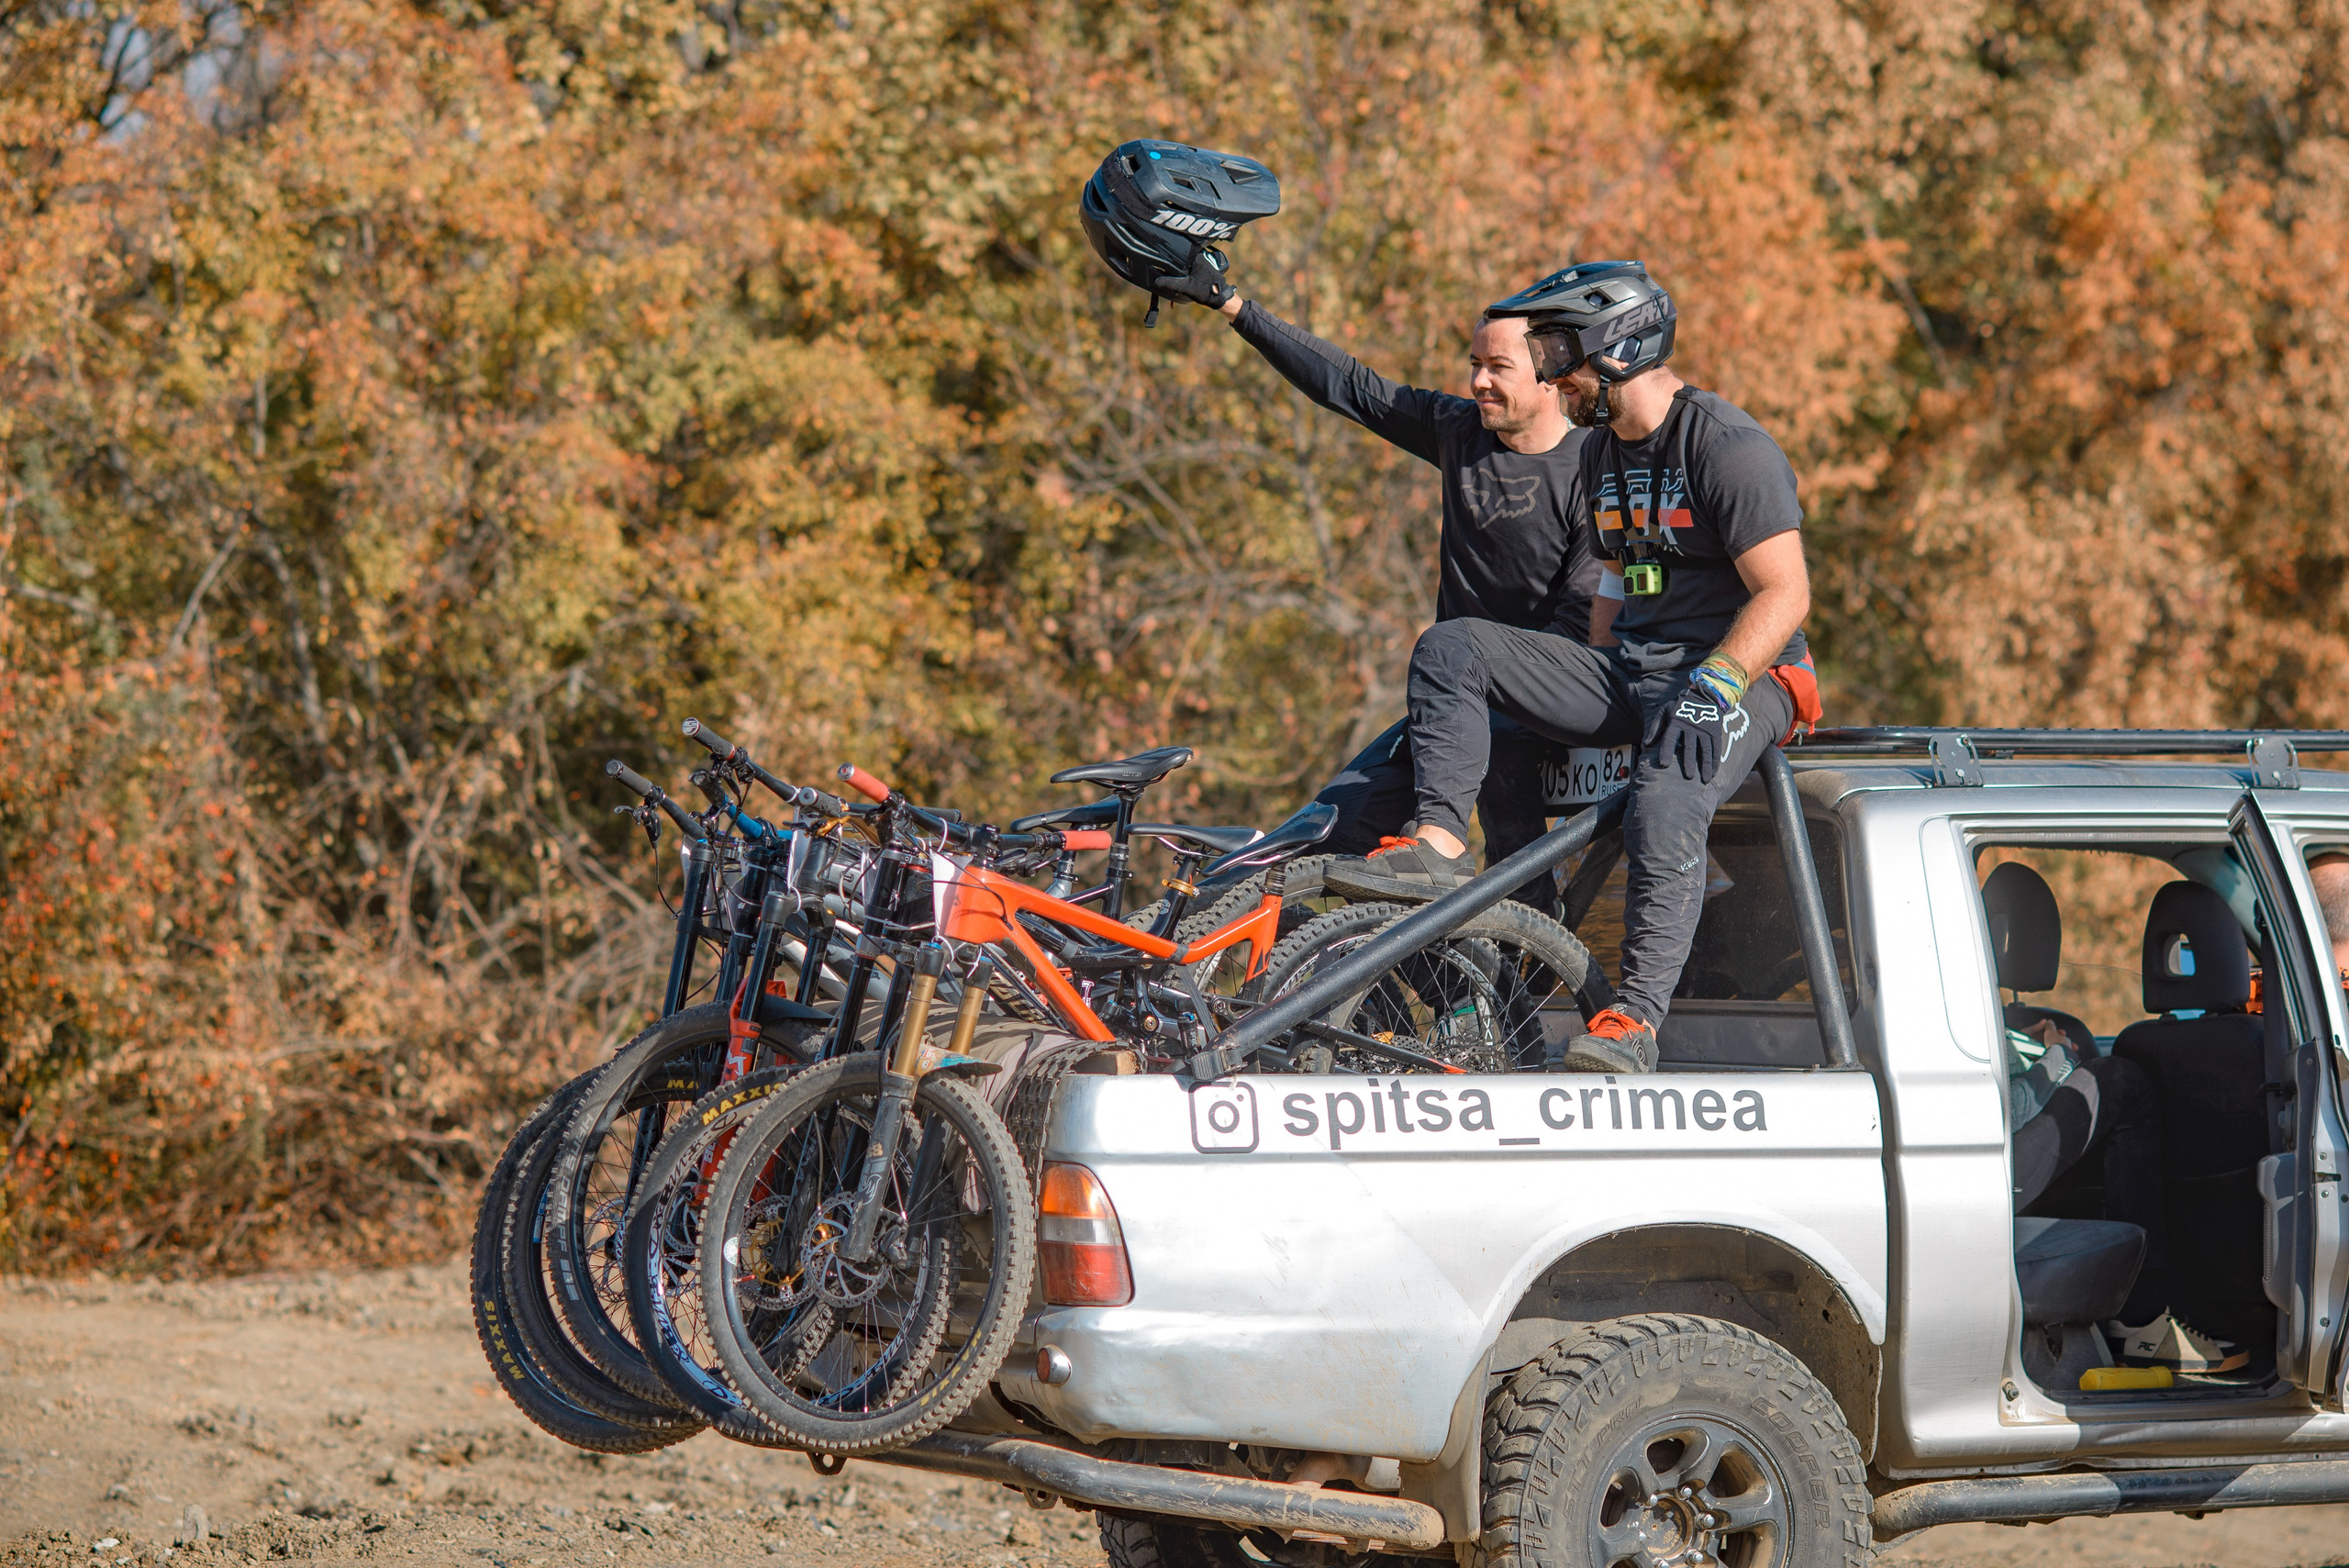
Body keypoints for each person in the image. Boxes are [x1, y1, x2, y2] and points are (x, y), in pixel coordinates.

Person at [1319, 261, 1822, 1073]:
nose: (1551, 378)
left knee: (1663, 800)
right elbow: (1623, 574)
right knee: (1454, 647)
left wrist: (1717, 685)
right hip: (1633, 666)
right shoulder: (1602, 456)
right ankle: (1441, 846)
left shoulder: (1728, 447)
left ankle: (1634, 1020)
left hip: (1741, 673)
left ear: (1618, 353)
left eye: (1560, 358)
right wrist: (1571, 677)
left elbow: (1786, 593)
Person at [1170, 283, 1608, 889]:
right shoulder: (1460, 432)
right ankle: (1379, 963)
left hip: (1545, 698)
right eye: (1474, 364)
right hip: (1461, 701)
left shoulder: (1597, 470)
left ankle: (1490, 914)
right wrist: (1233, 306)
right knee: (1326, 829)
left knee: (1514, 873)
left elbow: (1584, 626)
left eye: (1498, 367)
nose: (1479, 381)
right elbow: (1348, 385)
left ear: (1552, 376)